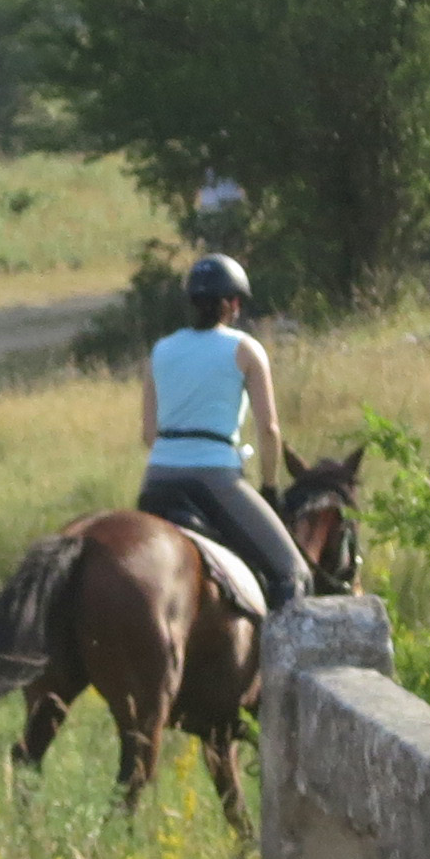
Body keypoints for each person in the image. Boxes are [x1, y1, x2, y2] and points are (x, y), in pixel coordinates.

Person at [134, 254, 306, 617]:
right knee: (292, 572)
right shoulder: (245, 349)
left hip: (158, 479)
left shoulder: (161, 350)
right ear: (231, 304)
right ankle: (282, 667)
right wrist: (270, 487)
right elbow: (269, 429)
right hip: (215, 479)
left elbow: (149, 433)